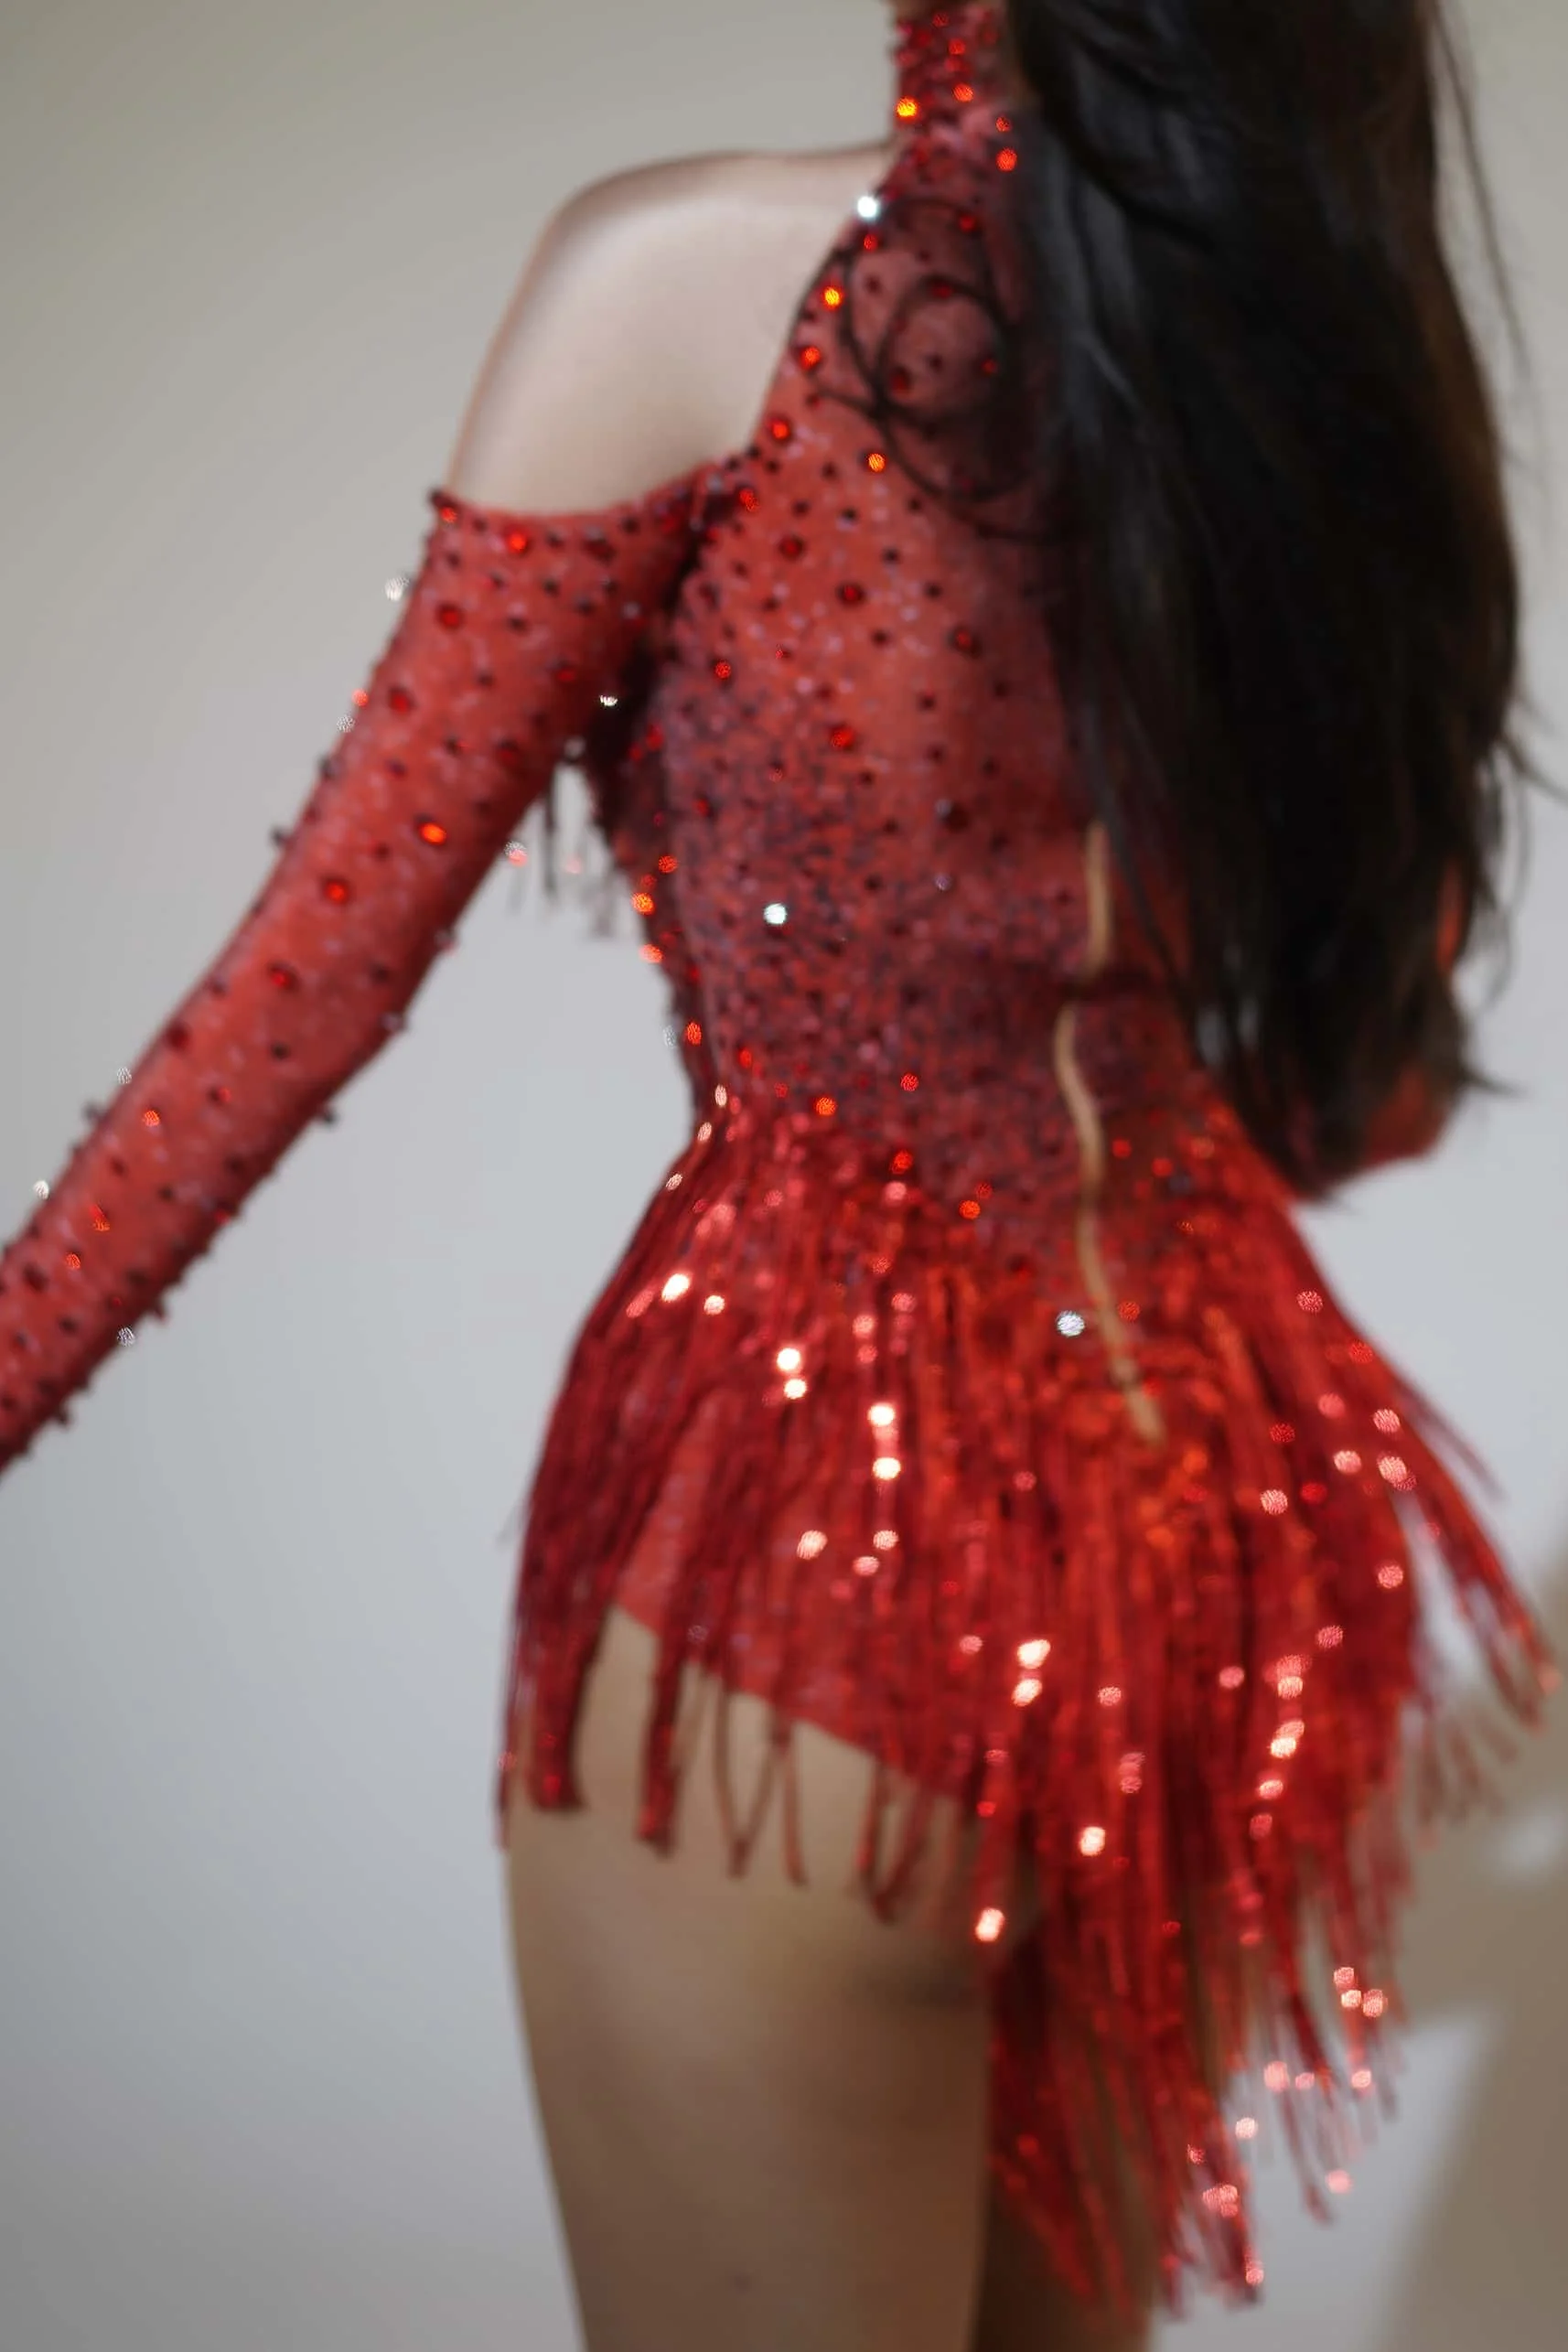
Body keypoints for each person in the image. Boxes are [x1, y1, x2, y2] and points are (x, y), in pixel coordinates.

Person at [0, 3, 1555, 2347]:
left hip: (820, 1585)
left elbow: (313, 976)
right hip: (1224, 1562)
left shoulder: (687, 286)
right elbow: (1366, 1094)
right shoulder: (1322, 339)